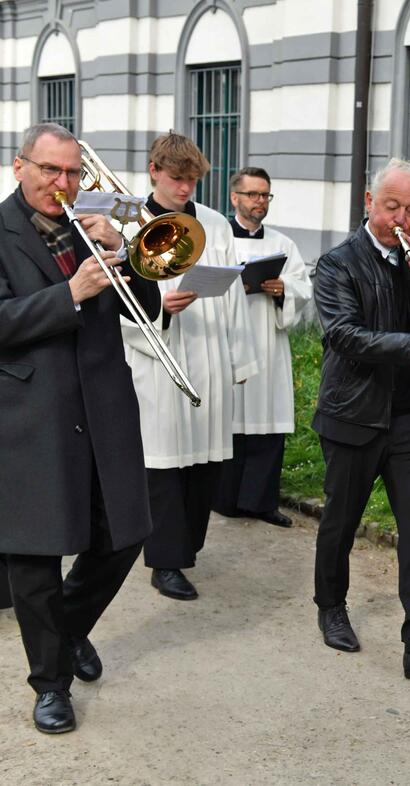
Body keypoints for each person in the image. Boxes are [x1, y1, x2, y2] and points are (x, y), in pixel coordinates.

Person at [0, 123, 160, 733]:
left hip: (104, 406)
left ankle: (65, 635)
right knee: (35, 554)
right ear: (20, 168)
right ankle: (50, 684)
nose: (62, 184)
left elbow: (142, 309)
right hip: (30, 413)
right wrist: (68, 293)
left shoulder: (87, 226)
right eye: (50, 171)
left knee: (124, 532)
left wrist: (122, 253)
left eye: (72, 173)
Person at [311, 157, 410, 679]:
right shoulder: (338, 263)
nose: (401, 220)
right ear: (368, 203)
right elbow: (344, 335)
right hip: (353, 414)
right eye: (391, 207)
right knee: (341, 520)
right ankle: (331, 607)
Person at [125, 133, 257, 602]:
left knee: (205, 461)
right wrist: (160, 306)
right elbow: (114, 299)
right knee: (164, 463)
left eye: (192, 182)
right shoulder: (128, 222)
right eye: (178, 180)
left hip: (210, 353)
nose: (185, 190)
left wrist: (240, 361)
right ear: (154, 170)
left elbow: (235, 293)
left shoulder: (217, 224)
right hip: (158, 358)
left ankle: (188, 548)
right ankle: (166, 562)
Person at [212, 166, 311, 528]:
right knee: (231, 421)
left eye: (265, 195)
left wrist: (283, 288)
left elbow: (304, 287)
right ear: (234, 198)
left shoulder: (283, 245)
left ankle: (262, 502)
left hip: (269, 342)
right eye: (253, 195)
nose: (260, 202)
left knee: (267, 421)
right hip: (229, 339)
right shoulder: (217, 239)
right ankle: (225, 500)